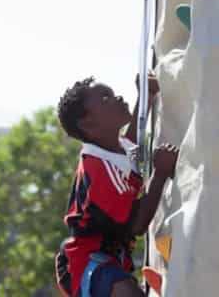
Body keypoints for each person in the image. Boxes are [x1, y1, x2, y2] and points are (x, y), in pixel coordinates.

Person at [55, 73, 178, 296]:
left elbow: (131, 143)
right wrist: (160, 173)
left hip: (110, 256)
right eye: (105, 98)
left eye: (111, 93)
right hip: (86, 263)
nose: (117, 97)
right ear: (88, 124)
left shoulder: (114, 148)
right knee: (128, 292)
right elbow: (137, 224)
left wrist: (146, 98)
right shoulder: (98, 171)